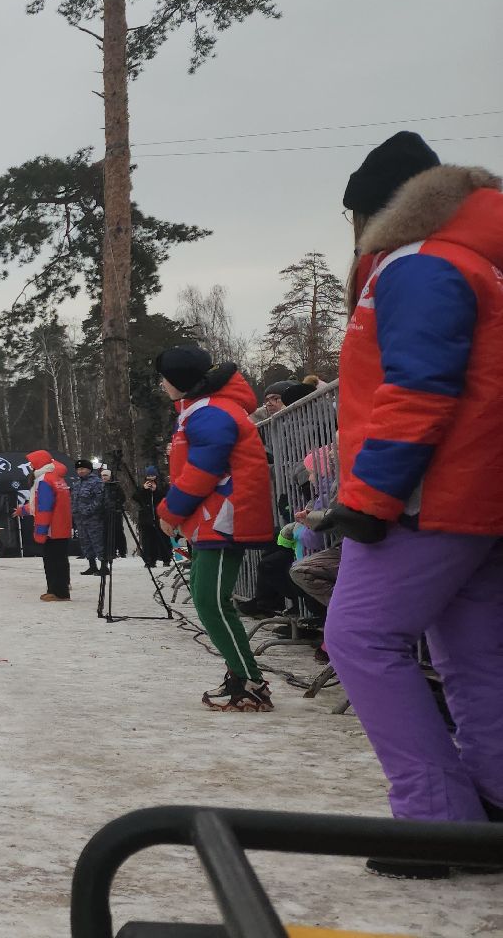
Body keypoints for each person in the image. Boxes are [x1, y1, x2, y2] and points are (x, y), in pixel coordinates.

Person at [320, 133, 503, 871]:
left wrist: (370, 496)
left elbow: (419, 389)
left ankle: (432, 819)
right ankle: (491, 804)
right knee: (476, 655)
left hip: (429, 496)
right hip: (481, 496)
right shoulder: (480, 260)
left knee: (360, 639)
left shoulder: (418, 266)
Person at [153, 346, 275, 713]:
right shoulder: (202, 411)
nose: (161, 385)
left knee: (211, 601)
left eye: (165, 378)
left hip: (221, 519)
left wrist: (171, 510)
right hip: (214, 517)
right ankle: (241, 675)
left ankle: (249, 681)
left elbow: (204, 469)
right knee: (211, 601)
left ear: (183, 381)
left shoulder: (209, 413)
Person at [24, 450, 72, 601]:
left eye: (32, 462)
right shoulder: (57, 478)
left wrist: (41, 531)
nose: (30, 465)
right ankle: (61, 589)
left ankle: (57, 591)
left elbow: (44, 507)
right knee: (61, 559)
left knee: (52, 560)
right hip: (62, 525)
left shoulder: (43, 480)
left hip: (52, 527)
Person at [69, 458, 108, 576]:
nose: (80, 471)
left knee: (98, 542)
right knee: (85, 542)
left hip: (94, 518)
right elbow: (74, 500)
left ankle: (104, 566)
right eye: (78, 469)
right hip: (80, 519)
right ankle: (92, 566)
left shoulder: (97, 482)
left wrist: (89, 510)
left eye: (83, 469)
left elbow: (100, 499)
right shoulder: (77, 484)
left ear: (89, 470)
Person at [130, 467, 171, 571]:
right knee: (148, 541)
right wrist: (144, 490)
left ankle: (166, 559)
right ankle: (149, 560)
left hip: (159, 517)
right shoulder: (142, 486)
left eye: (153, 476)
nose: (151, 479)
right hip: (146, 518)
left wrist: (155, 490)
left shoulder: (162, 485)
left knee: (163, 539)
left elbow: (166, 497)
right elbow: (135, 497)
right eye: (148, 476)